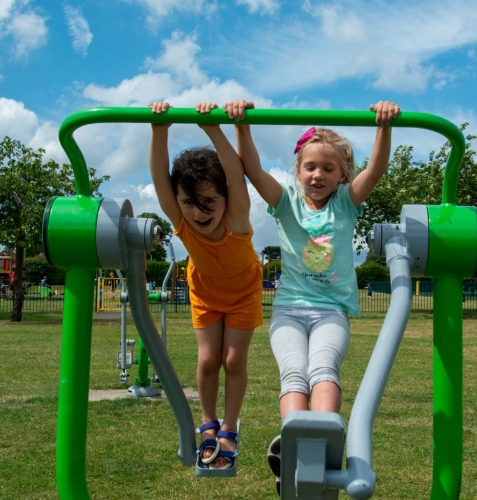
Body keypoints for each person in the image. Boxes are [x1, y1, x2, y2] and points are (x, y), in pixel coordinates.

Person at [219, 98, 399, 490]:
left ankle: (325, 435)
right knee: (293, 374)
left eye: (328, 169)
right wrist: (242, 125)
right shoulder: (285, 204)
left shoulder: (346, 205)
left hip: (330, 312)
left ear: (341, 175)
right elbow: (251, 169)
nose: (318, 175)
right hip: (288, 311)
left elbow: (377, 169)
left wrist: (383, 127)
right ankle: (292, 440)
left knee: (322, 367)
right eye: (310, 167)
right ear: (298, 170)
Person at [148, 101, 263, 472]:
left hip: (244, 290)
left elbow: (235, 174)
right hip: (206, 291)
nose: (199, 212)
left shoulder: (236, 216)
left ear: (226, 198)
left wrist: (214, 129)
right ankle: (209, 423)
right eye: (189, 203)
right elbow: (158, 177)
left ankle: (230, 426)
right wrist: (159, 130)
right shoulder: (180, 219)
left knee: (233, 360)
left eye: (208, 201)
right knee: (208, 359)